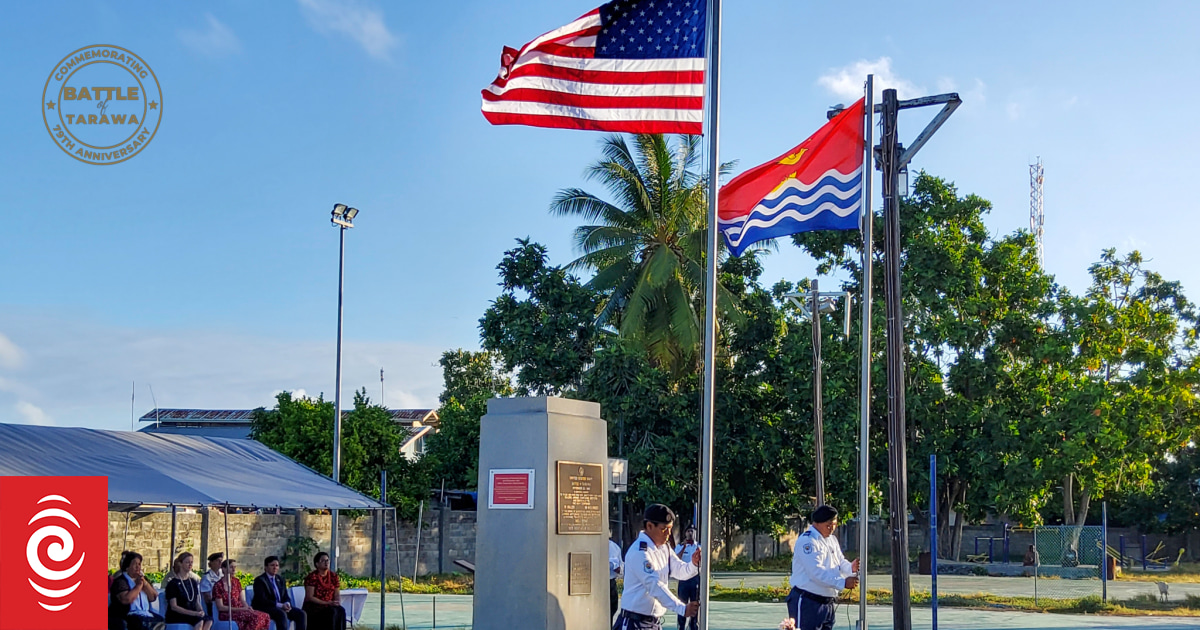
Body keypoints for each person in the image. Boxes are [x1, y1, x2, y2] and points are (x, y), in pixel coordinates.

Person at [614, 504, 701, 630]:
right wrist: (682, 608)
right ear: (649, 526)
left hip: (653, 623)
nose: (668, 533)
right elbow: (654, 585)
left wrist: (693, 564)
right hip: (634, 622)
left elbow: (680, 570)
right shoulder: (640, 552)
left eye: (670, 528)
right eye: (664, 529)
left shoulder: (664, 548)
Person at [787, 506, 859, 630]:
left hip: (827, 602)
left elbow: (840, 562)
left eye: (834, 524)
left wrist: (850, 568)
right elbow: (816, 572)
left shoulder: (831, 540)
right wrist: (843, 582)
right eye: (828, 524)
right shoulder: (808, 541)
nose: (832, 528)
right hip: (808, 600)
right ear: (817, 523)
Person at [108, 551, 165, 630]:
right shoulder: (121, 581)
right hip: (127, 616)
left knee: (161, 621)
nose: (138, 567)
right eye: (135, 564)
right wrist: (138, 586)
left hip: (145, 614)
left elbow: (153, 597)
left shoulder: (143, 580)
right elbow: (126, 599)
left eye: (139, 564)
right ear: (127, 567)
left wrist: (144, 583)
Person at [211, 558, 271, 630]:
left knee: (265, 616)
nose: (233, 570)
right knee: (256, 618)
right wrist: (240, 609)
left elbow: (242, 600)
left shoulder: (236, 582)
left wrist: (248, 608)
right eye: (231, 567)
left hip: (241, 610)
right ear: (223, 569)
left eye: (234, 567)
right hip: (228, 613)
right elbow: (221, 607)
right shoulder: (218, 585)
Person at [253, 555, 308, 630]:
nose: (275, 567)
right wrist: (280, 605)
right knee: (281, 614)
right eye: (272, 565)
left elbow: (285, 595)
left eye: (277, 565)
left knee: (301, 614)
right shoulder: (260, 580)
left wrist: (287, 604)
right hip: (266, 607)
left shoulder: (280, 579)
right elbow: (262, 600)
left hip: (281, 607)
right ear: (266, 567)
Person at [164, 552, 211, 630]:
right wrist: (193, 613)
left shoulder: (193, 582)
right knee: (199, 621)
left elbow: (196, 602)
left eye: (191, 562)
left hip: (192, 614)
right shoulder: (173, 583)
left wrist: (200, 611)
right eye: (187, 562)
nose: (190, 564)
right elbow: (174, 606)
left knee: (208, 619)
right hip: (178, 615)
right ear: (180, 564)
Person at [304, 551, 347, 630]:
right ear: (317, 564)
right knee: (331, 612)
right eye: (323, 561)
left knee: (341, 610)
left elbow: (337, 593)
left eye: (327, 560)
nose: (326, 562)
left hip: (329, 604)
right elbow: (310, 597)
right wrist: (327, 602)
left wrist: (336, 602)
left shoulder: (333, 576)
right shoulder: (312, 577)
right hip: (315, 606)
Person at [673, 527, 701, 630]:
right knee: (682, 603)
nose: (690, 533)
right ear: (685, 533)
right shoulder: (680, 546)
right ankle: (681, 626)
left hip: (695, 579)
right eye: (688, 531)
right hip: (683, 580)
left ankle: (693, 625)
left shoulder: (699, 546)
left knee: (695, 603)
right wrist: (684, 547)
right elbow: (676, 560)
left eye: (692, 531)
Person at [198, 552, 224, 616]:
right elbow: (207, 597)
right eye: (217, 561)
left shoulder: (223, 574)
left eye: (221, 561)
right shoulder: (207, 577)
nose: (220, 563)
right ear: (211, 563)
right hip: (212, 605)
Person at [608, 531, 624, 622]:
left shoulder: (614, 547)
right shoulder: (592, 545)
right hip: (597, 583)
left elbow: (621, 566)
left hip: (611, 583)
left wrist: (619, 569)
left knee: (612, 609)